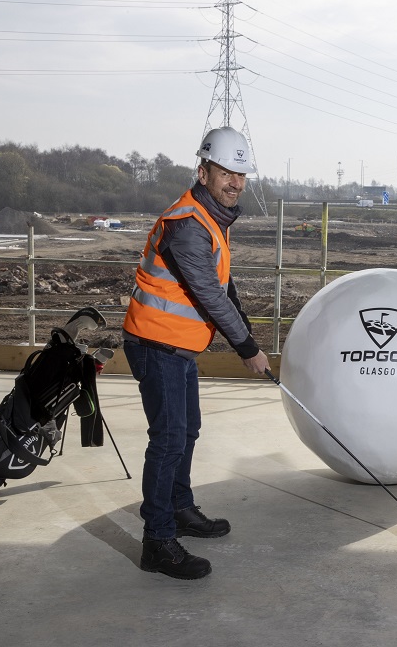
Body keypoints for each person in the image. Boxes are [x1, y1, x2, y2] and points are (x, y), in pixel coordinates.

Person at [122, 126, 270, 579]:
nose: (236, 182)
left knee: (187, 432)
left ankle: (181, 508)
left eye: (241, 174)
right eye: (226, 172)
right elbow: (208, 293)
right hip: (155, 343)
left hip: (178, 346)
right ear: (203, 171)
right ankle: (158, 540)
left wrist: (246, 330)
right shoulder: (187, 224)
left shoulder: (210, 218)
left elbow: (224, 285)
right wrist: (246, 348)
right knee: (168, 439)